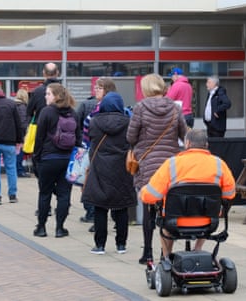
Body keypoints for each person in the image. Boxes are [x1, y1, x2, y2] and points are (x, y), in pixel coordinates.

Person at [140, 129, 236, 258]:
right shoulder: (219, 164)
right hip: (208, 222)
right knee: (208, 207)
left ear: (187, 143)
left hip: (175, 222)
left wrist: (143, 192)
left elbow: (150, 196)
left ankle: (166, 257)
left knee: (165, 225)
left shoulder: (172, 164)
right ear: (206, 145)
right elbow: (229, 194)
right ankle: (197, 249)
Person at [126, 73, 187, 264]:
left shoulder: (140, 108)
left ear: (146, 89)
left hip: (148, 165)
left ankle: (147, 253)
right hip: (170, 166)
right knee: (168, 210)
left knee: (148, 208)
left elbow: (130, 137)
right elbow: (185, 134)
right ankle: (165, 254)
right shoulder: (174, 108)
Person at [82, 92, 136, 255]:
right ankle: (121, 244)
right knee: (121, 207)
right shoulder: (128, 122)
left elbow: (86, 141)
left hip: (100, 167)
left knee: (100, 207)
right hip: (122, 169)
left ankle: (100, 245)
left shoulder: (94, 122)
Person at [32, 83, 81, 238]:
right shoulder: (73, 113)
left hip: (48, 158)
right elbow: (78, 139)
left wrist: (36, 158)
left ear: (57, 96)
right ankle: (60, 228)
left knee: (45, 193)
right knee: (64, 194)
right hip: (67, 160)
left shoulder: (46, 112)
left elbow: (39, 138)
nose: (45, 96)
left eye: (48, 94)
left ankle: (41, 227)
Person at [80, 77, 117, 229]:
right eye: (96, 87)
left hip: (100, 156)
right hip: (110, 156)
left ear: (108, 91)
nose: (96, 90)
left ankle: (98, 218)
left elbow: (87, 137)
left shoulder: (94, 116)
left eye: (99, 88)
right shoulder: (122, 113)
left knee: (98, 188)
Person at [14, 88, 30, 178]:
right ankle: (19, 170)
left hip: (13, 132)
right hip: (20, 133)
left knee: (15, 152)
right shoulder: (22, 106)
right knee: (19, 153)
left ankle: (16, 170)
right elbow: (23, 122)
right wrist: (25, 133)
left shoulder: (14, 105)